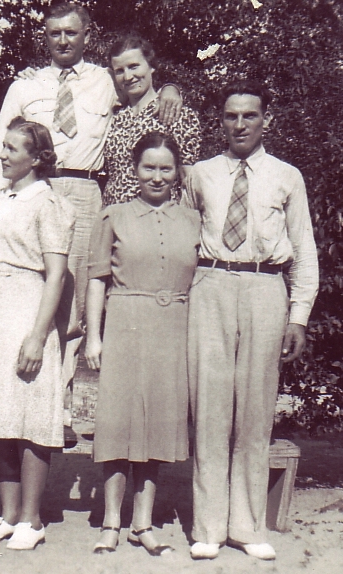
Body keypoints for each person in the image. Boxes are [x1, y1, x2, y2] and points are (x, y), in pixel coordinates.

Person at [0, 2, 183, 426]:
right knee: (32, 287)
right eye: (54, 32)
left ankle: (60, 403)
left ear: (86, 36)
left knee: (74, 298)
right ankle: (19, 393)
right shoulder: (26, 85)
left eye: (71, 33)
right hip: (35, 188)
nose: (62, 40)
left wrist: (171, 89)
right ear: (45, 37)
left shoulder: (104, 81)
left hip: (83, 189)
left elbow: (142, 93)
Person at [183, 79, 319, 561]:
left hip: (265, 288)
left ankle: (246, 524)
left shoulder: (287, 176)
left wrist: (298, 315)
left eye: (249, 116)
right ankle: (208, 527)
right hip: (212, 283)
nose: (239, 124)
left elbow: (304, 250)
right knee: (210, 406)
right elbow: (182, 239)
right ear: (220, 121)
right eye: (230, 116)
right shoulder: (199, 174)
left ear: (266, 120)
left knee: (255, 411)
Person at [85, 132, 201, 555]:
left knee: (156, 427)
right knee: (119, 422)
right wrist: (93, 336)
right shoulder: (113, 215)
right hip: (125, 322)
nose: (157, 176)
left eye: (165, 168)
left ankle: (143, 523)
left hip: (174, 328)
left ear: (177, 172)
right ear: (134, 170)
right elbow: (97, 278)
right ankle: (111, 523)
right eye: (148, 167)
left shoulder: (192, 219)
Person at [0, 118, 75, 551]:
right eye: (3, 146)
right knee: (0, 415)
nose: (3, 154)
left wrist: (37, 335)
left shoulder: (48, 203)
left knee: (30, 416)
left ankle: (32, 519)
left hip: (29, 309)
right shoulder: (0, 197)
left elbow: (57, 275)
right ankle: (8, 514)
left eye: (13, 148)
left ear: (38, 157)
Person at [103, 33, 201, 207]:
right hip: (115, 218)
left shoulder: (176, 113)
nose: (127, 76)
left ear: (151, 66)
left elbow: (188, 180)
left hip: (158, 220)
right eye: (120, 71)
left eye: (134, 66)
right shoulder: (116, 118)